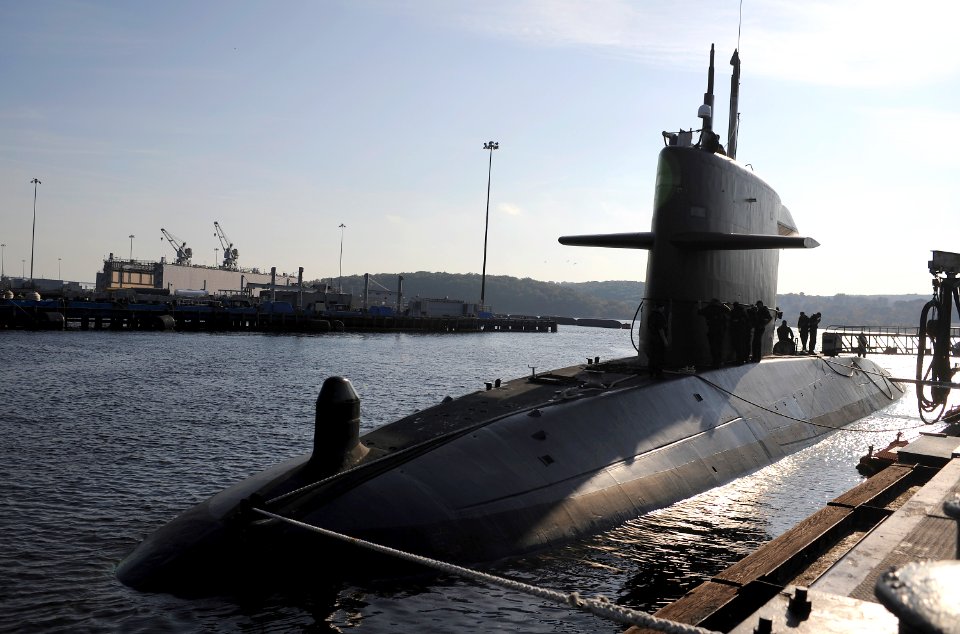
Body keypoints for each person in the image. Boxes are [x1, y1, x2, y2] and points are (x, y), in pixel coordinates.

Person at [698, 298, 730, 369]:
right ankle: (719, 362)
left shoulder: (709, 308)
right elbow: (729, 311)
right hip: (720, 331)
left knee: (713, 347)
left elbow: (699, 312)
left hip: (712, 331)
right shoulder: (721, 308)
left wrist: (699, 304)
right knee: (719, 347)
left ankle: (715, 362)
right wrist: (724, 305)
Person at [646, 304, 668, 378]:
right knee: (659, 357)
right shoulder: (659, 316)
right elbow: (660, 329)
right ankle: (659, 374)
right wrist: (665, 340)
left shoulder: (651, 315)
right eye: (662, 307)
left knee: (652, 356)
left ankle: (651, 373)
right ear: (661, 307)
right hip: (659, 339)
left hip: (652, 338)